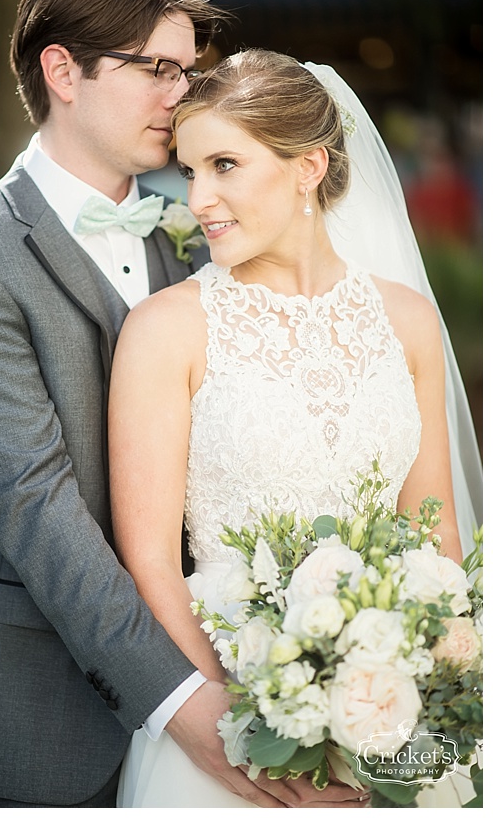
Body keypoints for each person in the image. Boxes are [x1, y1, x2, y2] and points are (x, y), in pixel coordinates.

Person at [0, 0, 362, 808]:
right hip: (37, 687)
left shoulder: (196, 237)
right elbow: (34, 507)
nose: (181, 96)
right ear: (63, 70)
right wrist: (185, 702)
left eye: (189, 73)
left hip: (230, 652)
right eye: (158, 69)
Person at [110, 49, 480, 807]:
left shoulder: (406, 323)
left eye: (224, 165)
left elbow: (436, 539)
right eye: (189, 171)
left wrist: (421, 709)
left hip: (388, 717)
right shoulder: (166, 330)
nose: (199, 198)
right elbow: (148, 564)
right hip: (227, 705)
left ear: (309, 166)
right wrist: (243, 729)